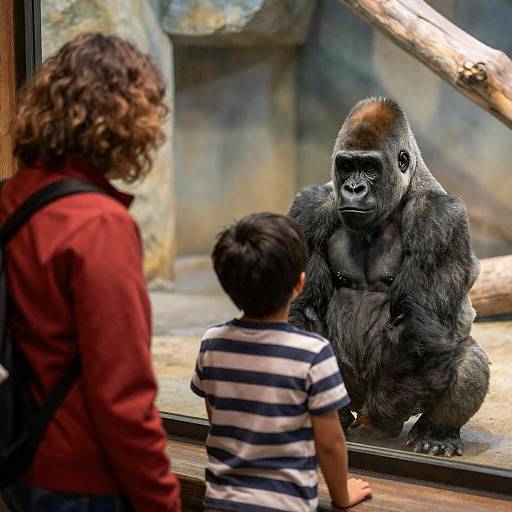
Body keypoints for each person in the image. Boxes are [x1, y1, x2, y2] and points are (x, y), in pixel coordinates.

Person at [0, 33, 181, 511]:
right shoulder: (99, 224)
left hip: (23, 457)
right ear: (124, 121)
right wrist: (162, 499)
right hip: (83, 478)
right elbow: (122, 395)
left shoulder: (11, 197)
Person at [190, 212, 372, 512]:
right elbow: (329, 443)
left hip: (221, 501)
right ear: (300, 284)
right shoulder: (313, 353)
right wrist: (342, 495)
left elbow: (219, 415)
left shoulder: (212, 342)